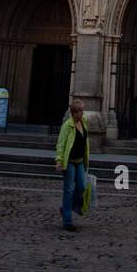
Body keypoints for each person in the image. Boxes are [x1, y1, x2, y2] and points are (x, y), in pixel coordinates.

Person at [55, 98, 90, 232]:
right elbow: (61, 143)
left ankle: (66, 208)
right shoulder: (67, 126)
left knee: (82, 186)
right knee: (69, 190)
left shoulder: (84, 122)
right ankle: (67, 221)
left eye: (82, 111)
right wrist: (59, 160)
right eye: (80, 111)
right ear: (74, 113)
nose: (82, 113)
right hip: (69, 162)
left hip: (80, 160)